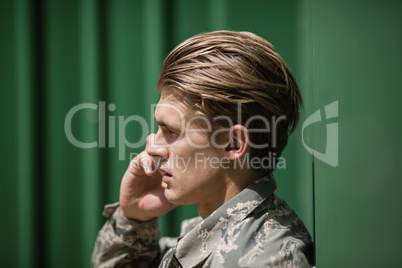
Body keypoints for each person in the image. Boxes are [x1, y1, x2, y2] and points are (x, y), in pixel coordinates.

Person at [91, 30, 315, 267]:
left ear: (233, 144)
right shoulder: (211, 233)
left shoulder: (261, 260)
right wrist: (134, 217)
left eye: (171, 131)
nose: (152, 146)